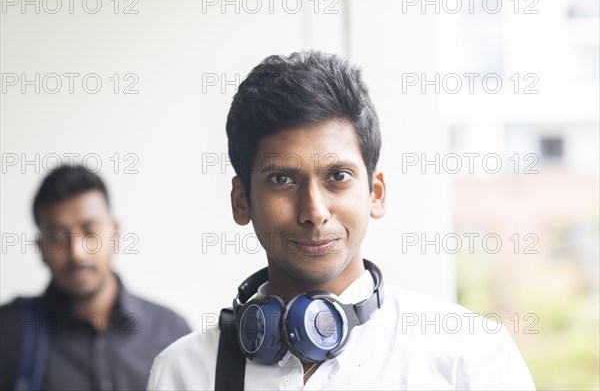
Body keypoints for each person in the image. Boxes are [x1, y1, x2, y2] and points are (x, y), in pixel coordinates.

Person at [146, 51, 536, 390]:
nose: (314, 211)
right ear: (241, 201)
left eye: (338, 177)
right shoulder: (184, 373)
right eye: (282, 180)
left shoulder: (467, 355)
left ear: (376, 194)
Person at [0, 165, 191, 391]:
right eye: (57, 237)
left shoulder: (170, 331)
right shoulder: (9, 331)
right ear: (41, 247)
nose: (76, 252)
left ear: (115, 233)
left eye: (90, 232)